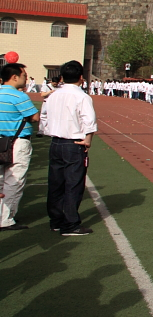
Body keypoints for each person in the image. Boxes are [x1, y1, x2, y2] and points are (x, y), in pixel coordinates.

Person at [39, 60, 98, 236]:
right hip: (73, 143)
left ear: (62, 77)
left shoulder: (52, 95)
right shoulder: (82, 97)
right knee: (73, 184)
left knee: (56, 183)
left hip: (55, 142)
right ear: (81, 78)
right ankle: (70, 224)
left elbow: (44, 117)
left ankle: (56, 220)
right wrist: (88, 139)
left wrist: (47, 131)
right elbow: (89, 121)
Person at [0, 63, 41, 231]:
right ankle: (6, 219)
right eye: (24, 75)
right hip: (17, 142)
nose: (25, 77)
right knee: (14, 180)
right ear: (15, 77)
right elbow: (35, 117)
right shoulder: (19, 96)